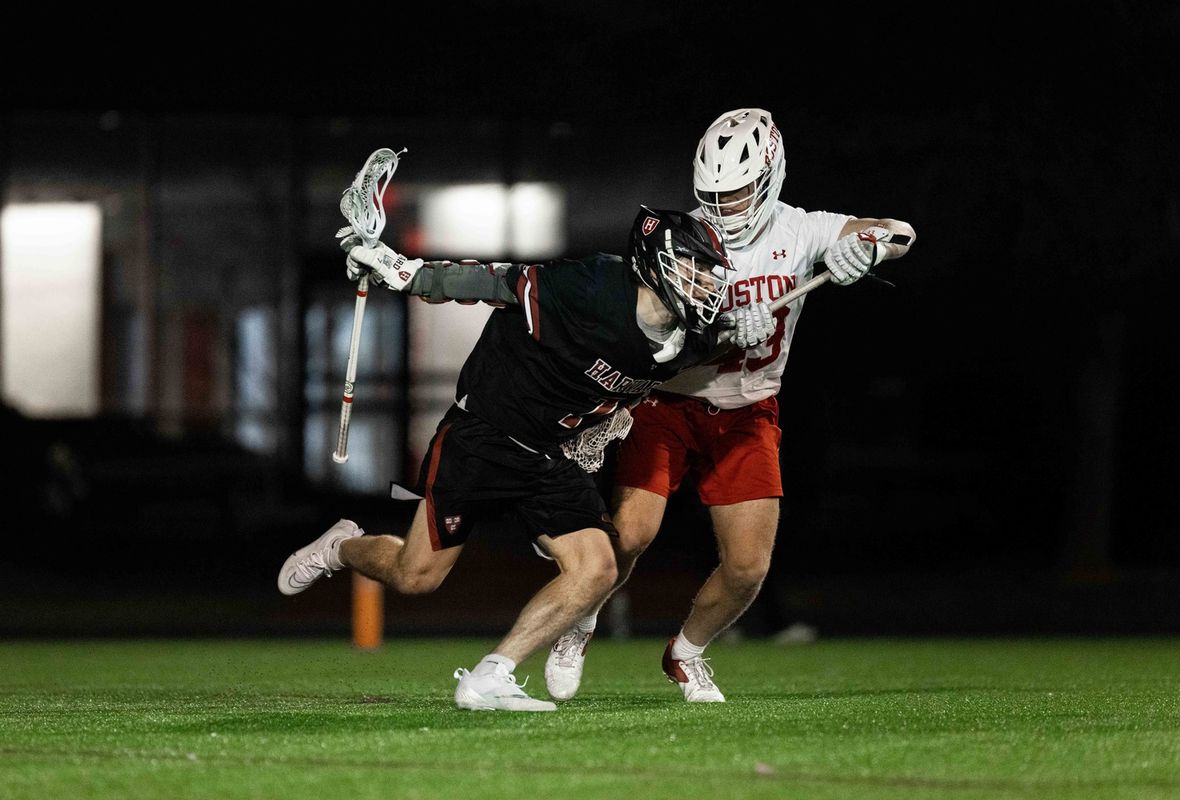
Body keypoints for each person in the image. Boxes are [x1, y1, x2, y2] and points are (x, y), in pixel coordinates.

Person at [277, 204, 765, 712]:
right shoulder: (592, 286)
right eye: (697, 267)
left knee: (598, 567)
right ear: (655, 262)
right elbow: (495, 283)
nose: (708, 282)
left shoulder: (697, 337)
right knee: (414, 575)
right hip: (485, 433)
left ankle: (492, 675)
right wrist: (405, 272)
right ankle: (341, 547)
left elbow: (694, 351)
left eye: (711, 272)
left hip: (547, 456)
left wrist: (739, 332)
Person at [544, 108, 917, 703]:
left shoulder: (801, 231)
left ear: (770, 178)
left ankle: (686, 653)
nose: (726, 207)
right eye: (714, 194)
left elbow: (899, 231)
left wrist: (865, 249)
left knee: (747, 568)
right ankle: (581, 620)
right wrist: (714, 332)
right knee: (632, 534)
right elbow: (648, 343)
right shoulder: (680, 238)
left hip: (748, 413)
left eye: (740, 192)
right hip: (669, 404)